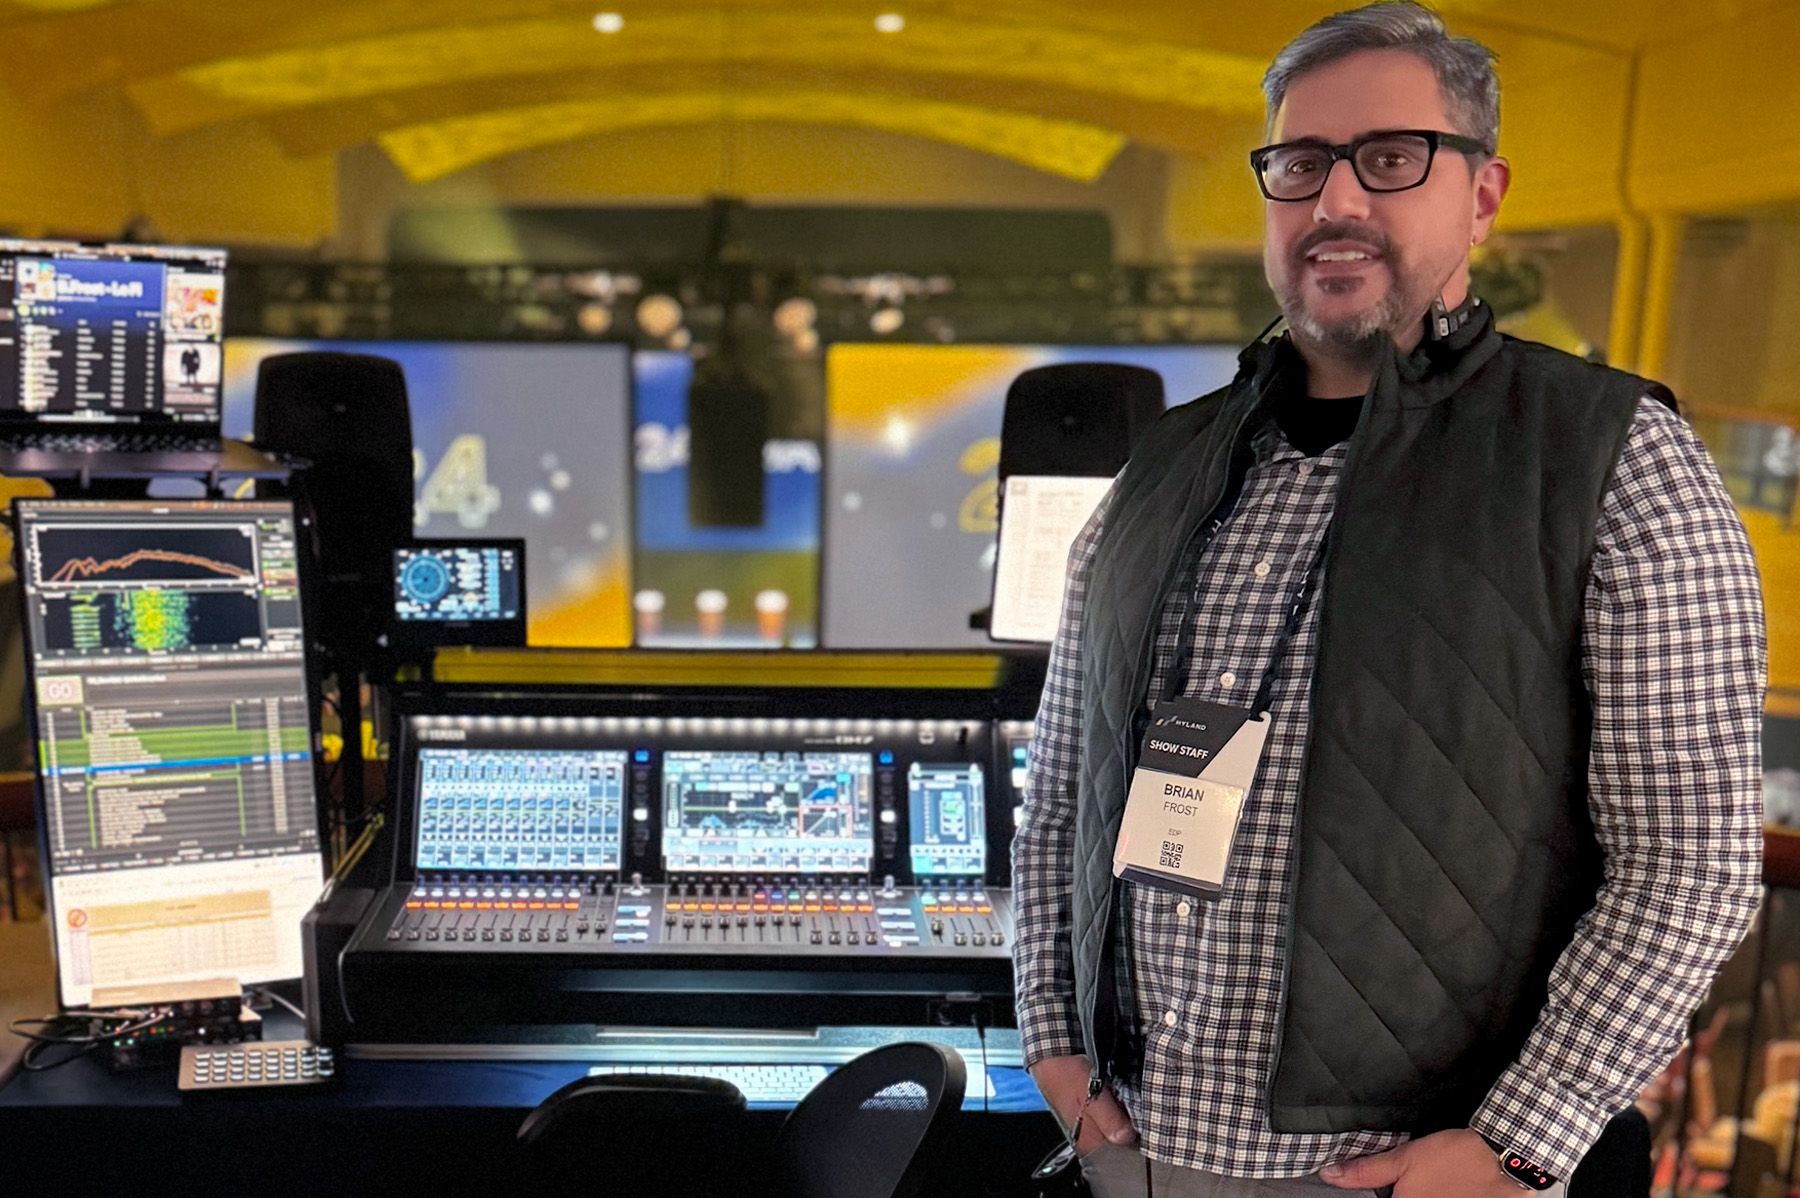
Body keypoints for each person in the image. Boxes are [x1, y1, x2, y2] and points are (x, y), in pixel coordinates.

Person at [1010, 4, 1767, 1196]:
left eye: (1391, 158)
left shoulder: (1611, 456)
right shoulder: (1161, 467)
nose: (1337, 200)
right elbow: (1063, 793)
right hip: (1140, 1150)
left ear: (1482, 193)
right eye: (1301, 163)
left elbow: (1691, 857)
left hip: (1411, 1168)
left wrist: (1520, 1138)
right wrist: (1053, 1035)